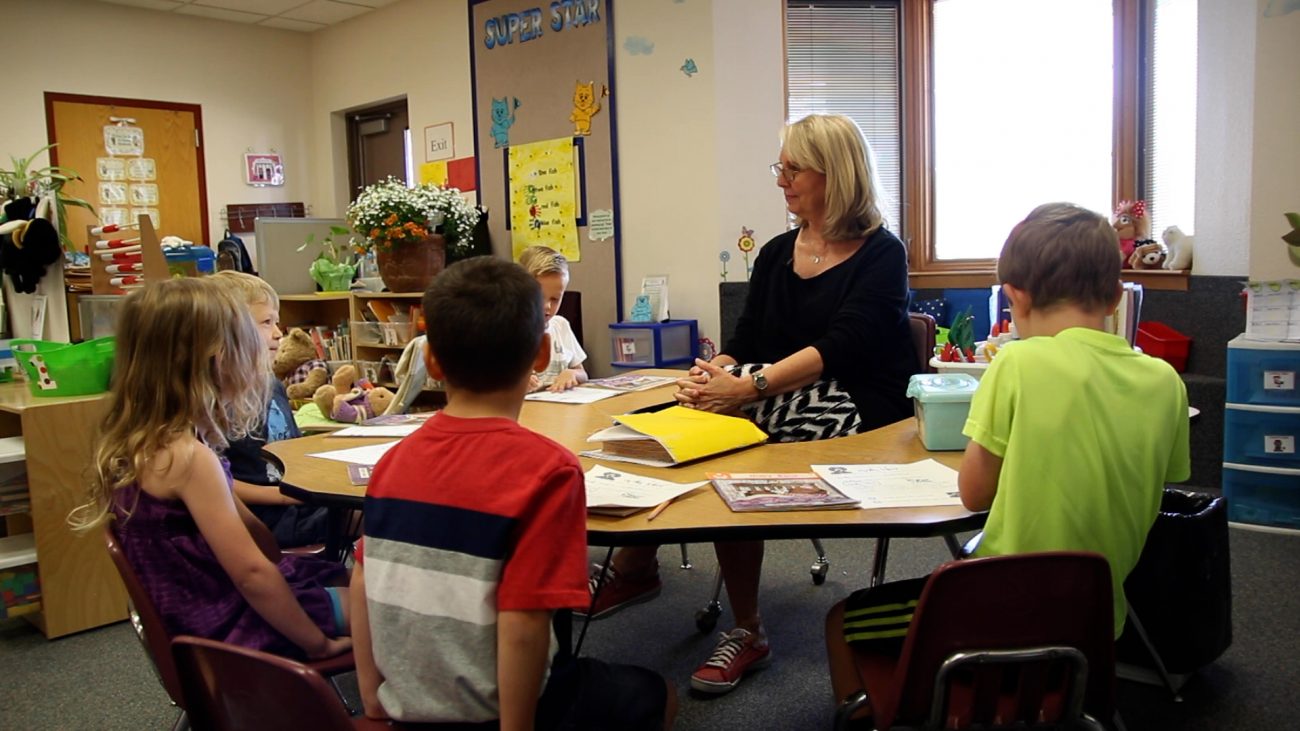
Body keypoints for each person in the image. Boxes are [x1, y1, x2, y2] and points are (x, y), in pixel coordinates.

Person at [584, 113, 916, 697]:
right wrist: (720, 370)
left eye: (793, 169)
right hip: (776, 386)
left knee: (730, 447)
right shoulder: (776, 252)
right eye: (779, 167)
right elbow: (751, 338)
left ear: (834, 174)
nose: (781, 180)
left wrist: (748, 387)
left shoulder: (882, 254)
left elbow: (841, 348)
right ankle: (636, 567)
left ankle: (749, 630)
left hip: (861, 397)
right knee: (651, 424)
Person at [825, 202, 1190, 716]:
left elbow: (975, 493)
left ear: (1014, 299)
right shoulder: (1164, 382)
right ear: (1114, 297)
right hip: (1096, 615)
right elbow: (1158, 485)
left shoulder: (1016, 364)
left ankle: (880, 717)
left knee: (844, 619)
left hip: (992, 613)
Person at [349, 257, 675, 729]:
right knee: (658, 694)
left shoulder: (392, 462)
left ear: (432, 361)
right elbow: (524, 622)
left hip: (405, 703)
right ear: (541, 354)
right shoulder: (550, 471)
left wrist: (372, 700)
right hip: (503, 711)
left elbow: (361, 581)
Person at [70, 278, 351, 660]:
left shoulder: (144, 442)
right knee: (384, 605)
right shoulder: (186, 458)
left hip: (200, 615)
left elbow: (258, 543)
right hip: (231, 626)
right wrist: (317, 645)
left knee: (348, 580)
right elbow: (253, 575)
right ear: (214, 355)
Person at [210, 270, 329, 548]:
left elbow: (291, 447)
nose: (278, 334)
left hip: (298, 500)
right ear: (229, 331)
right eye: (266, 322)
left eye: (277, 322)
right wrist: (283, 495)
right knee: (381, 518)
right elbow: (215, 482)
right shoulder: (212, 401)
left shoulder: (270, 384)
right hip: (267, 517)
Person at [519, 245, 589, 392]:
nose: (547, 306)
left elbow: (583, 374)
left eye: (555, 299)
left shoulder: (561, 325)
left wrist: (572, 374)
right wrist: (517, 384)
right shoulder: (505, 331)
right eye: (539, 297)